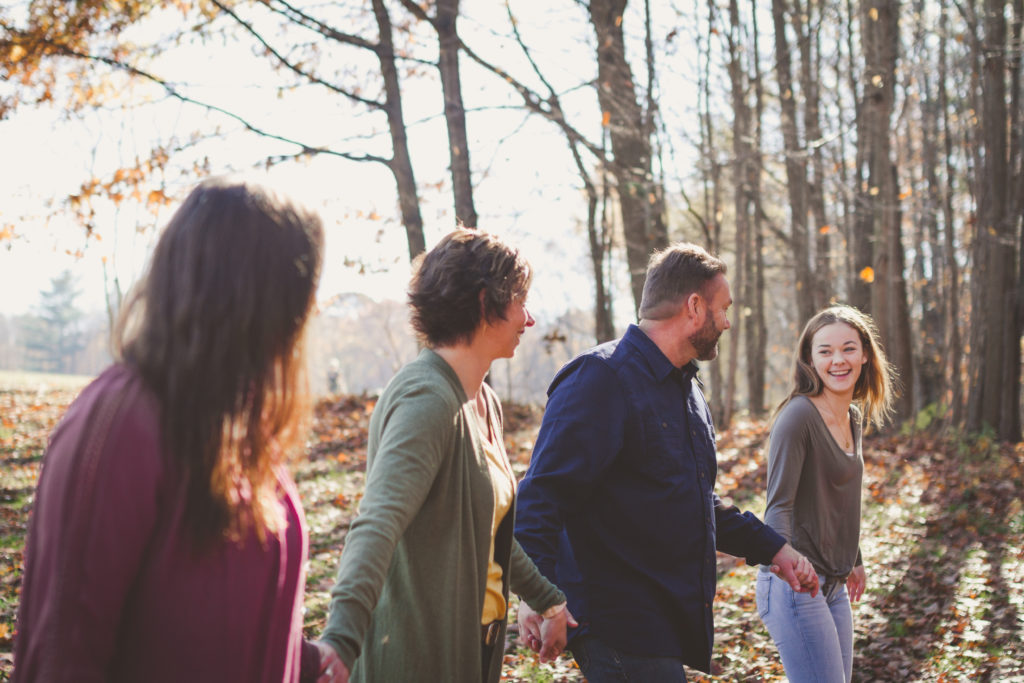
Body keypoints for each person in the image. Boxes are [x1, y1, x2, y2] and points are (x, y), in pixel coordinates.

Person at [13, 178, 334, 682]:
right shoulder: (121, 425)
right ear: (259, 294)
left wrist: (306, 661)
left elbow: (203, 610)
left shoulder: (236, 427)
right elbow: (64, 654)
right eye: (303, 291)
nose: (309, 312)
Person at [514, 242, 819, 682]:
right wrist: (540, 597)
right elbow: (541, 495)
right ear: (694, 306)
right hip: (616, 623)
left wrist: (772, 548)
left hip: (663, 624)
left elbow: (692, 500)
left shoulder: (687, 390)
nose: (728, 322)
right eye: (724, 308)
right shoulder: (601, 378)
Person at [316, 228, 575, 683]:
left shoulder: (482, 401)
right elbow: (377, 522)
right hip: (413, 659)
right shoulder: (427, 398)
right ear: (484, 303)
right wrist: (339, 640)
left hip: (473, 651)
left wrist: (546, 598)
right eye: (519, 301)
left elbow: (486, 528)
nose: (528, 318)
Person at [756, 305, 896, 682]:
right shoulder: (798, 417)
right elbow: (778, 504)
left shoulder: (852, 416)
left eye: (849, 348)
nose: (838, 360)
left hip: (833, 581)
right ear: (809, 359)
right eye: (825, 351)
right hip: (795, 580)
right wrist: (788, 569)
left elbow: (840, 499)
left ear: (865, 354)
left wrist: (856, 558)